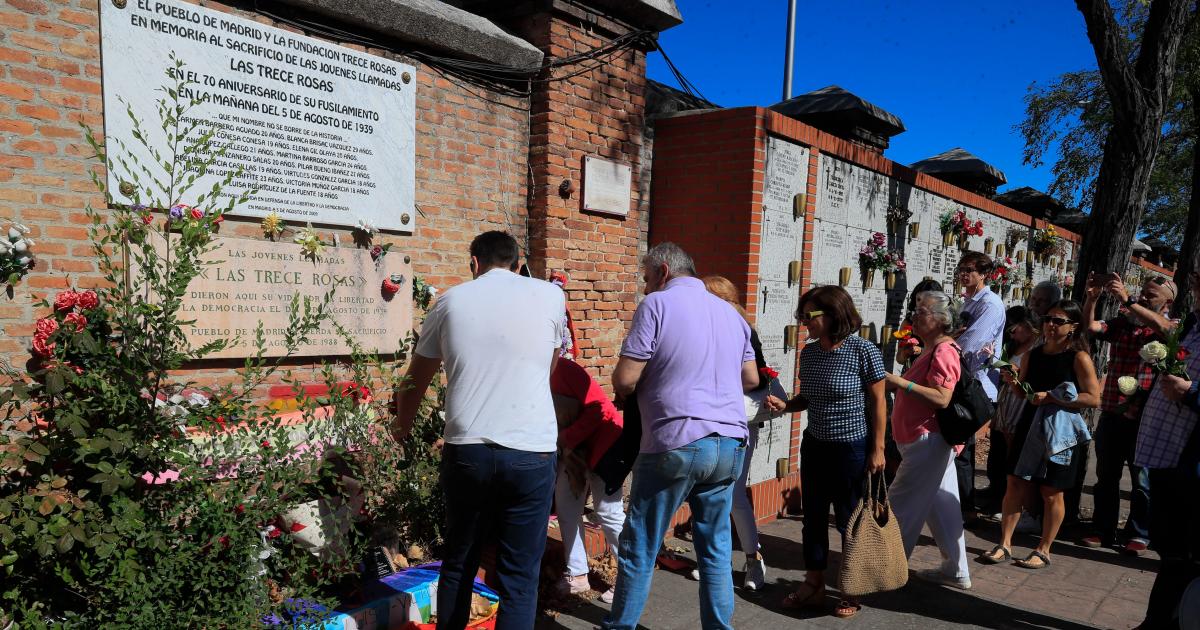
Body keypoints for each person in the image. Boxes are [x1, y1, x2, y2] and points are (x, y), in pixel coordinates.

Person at [391, 231, 566, 630]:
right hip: (531, 449)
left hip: (468, 449)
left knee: (459, 563)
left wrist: (401, 428)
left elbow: (415, 380)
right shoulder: (551, 296)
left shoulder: (449, 301)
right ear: (517, 262)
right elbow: (549, 366)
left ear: (474, 263)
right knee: (521, 577)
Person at [603, 243, 759, 630]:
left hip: (677, 438)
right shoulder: (731, 314)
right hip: (728, 442)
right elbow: (752, 379)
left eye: (645, 278)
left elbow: (624, 378)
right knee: (716, 550)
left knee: (640, 544)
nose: (644, 287)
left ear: (662, 271)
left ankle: (621, 626)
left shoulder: (657, 306)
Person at [767, 285, 887, 620]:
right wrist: (786, 404)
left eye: (810, 316)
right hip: (816, 446)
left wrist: (877, 448)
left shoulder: (863, 351)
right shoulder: (809, 352)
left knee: (850, 519)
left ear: (835, 313)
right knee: (813, 519)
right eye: (802, 317)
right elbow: (807, 399)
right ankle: (814, 582)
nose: (805, 322)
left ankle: (851, 587)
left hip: (851, 448)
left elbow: (878, 402)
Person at [980, 300, 1101, 569]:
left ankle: (1044, 548)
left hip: (1060, 430)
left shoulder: (1078, 357)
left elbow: (1093, 398)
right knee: (1014, 482)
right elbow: (1025, 392)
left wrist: (1055, 397)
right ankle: (1005, 544)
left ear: (1073, 327)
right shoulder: (1033, 355)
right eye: (1048, 319)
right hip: (1029, 423)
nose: (1050, 325)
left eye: (1058, 321)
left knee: (1050, 492)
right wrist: (1012, 381)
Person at [1079, 272, 1176, 555]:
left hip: (1145, 418)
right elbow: (1090, 326)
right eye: (1141, 292)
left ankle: (1139, 533)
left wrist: (1128, 299)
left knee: (1142, 481)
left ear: (1167, 303)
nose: (1143, 297)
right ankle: (1103, 529)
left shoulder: (1170, 326)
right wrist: (1091, 299)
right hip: (1111, 412)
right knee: (1106, 475)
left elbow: (1167, 331)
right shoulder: (1123, 324)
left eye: (1151, 295)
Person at [884, 291, 971, 589]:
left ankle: (887, 572)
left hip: (928, 442)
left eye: (921, 312)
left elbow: (941, 398)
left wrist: (898, 382)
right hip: (925, 441)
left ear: (941, 320)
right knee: (942, 508)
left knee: (901, 506)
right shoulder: (931, 348)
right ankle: (956, 570)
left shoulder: (944, 351)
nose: (914, 316)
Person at [693, 275, 773, 591]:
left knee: (734, 493)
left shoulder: (743, 330)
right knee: (712, 492)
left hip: (739, 421)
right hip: (710, 420)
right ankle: (718, 561)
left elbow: (758, 378)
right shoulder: (703, 329)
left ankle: (754, 559)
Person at [1134, 268, 1200, 630]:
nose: (1194, 285)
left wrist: (1191, 395)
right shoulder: (1192, 323)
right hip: (1167, 454)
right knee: (1171, 551)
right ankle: (1157, 622)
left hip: (1192, 463)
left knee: (1185, 554)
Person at [551, 357, 626, 604]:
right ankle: (577, 573)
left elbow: (599, 409)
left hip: (606, 446)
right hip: (574, 452)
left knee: (608, 512)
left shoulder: (566, 370)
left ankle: (631, 577)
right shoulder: (527, 374)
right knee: (565, 505)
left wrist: (566, 438)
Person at [952, 251, 1007, 516]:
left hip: (974, 382)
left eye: (970, 270)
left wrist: (946, 342)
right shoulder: (969, 300)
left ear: (984, 274)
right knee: (958, 445)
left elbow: (970, 344)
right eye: (961, 269)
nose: (964, 274)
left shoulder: (990, 304)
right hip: (960, 379)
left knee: (962, 448)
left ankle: (965, 510)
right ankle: (959, 505)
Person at [983, 306, 1041, 518]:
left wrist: (1011, 369)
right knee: (999, 460)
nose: (1011, 333)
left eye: (1014, 328)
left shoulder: (1038, 348)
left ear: (1028, 325)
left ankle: (1023, 510)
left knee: (1016, 462)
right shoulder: (1011, 346)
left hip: (1022, 409)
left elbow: (1029, 379)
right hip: (1005, 409)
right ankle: (1000, 501)